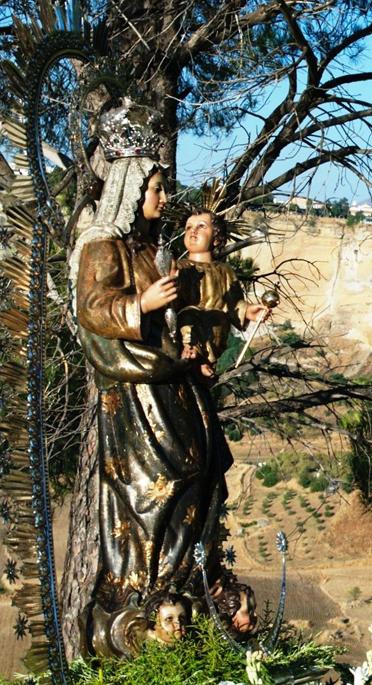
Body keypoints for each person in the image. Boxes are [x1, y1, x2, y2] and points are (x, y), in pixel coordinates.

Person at [68, 100, 253, 657]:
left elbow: (193, 307)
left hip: (175, 385)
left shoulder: (153, 250)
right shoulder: (105, 246)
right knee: (157, 491)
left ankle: (185, 587)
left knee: (198, 476)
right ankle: (146, 599)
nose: (163, 200)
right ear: (131, 188)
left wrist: (197, 331)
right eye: (155, 189)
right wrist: (140, 303)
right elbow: (92, 308)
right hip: (135, 397)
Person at [175, 209, 267, 379]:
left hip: (215, 327)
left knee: (209, 321)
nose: (193, 231)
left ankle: (204, 361)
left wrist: (248, 311)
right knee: (189, 315)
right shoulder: (179, 267)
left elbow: (234, 303)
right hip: (186, 327)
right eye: (188, 227)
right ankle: (193, 354)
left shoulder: (225, 271)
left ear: (217, 238)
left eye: (201, 226)